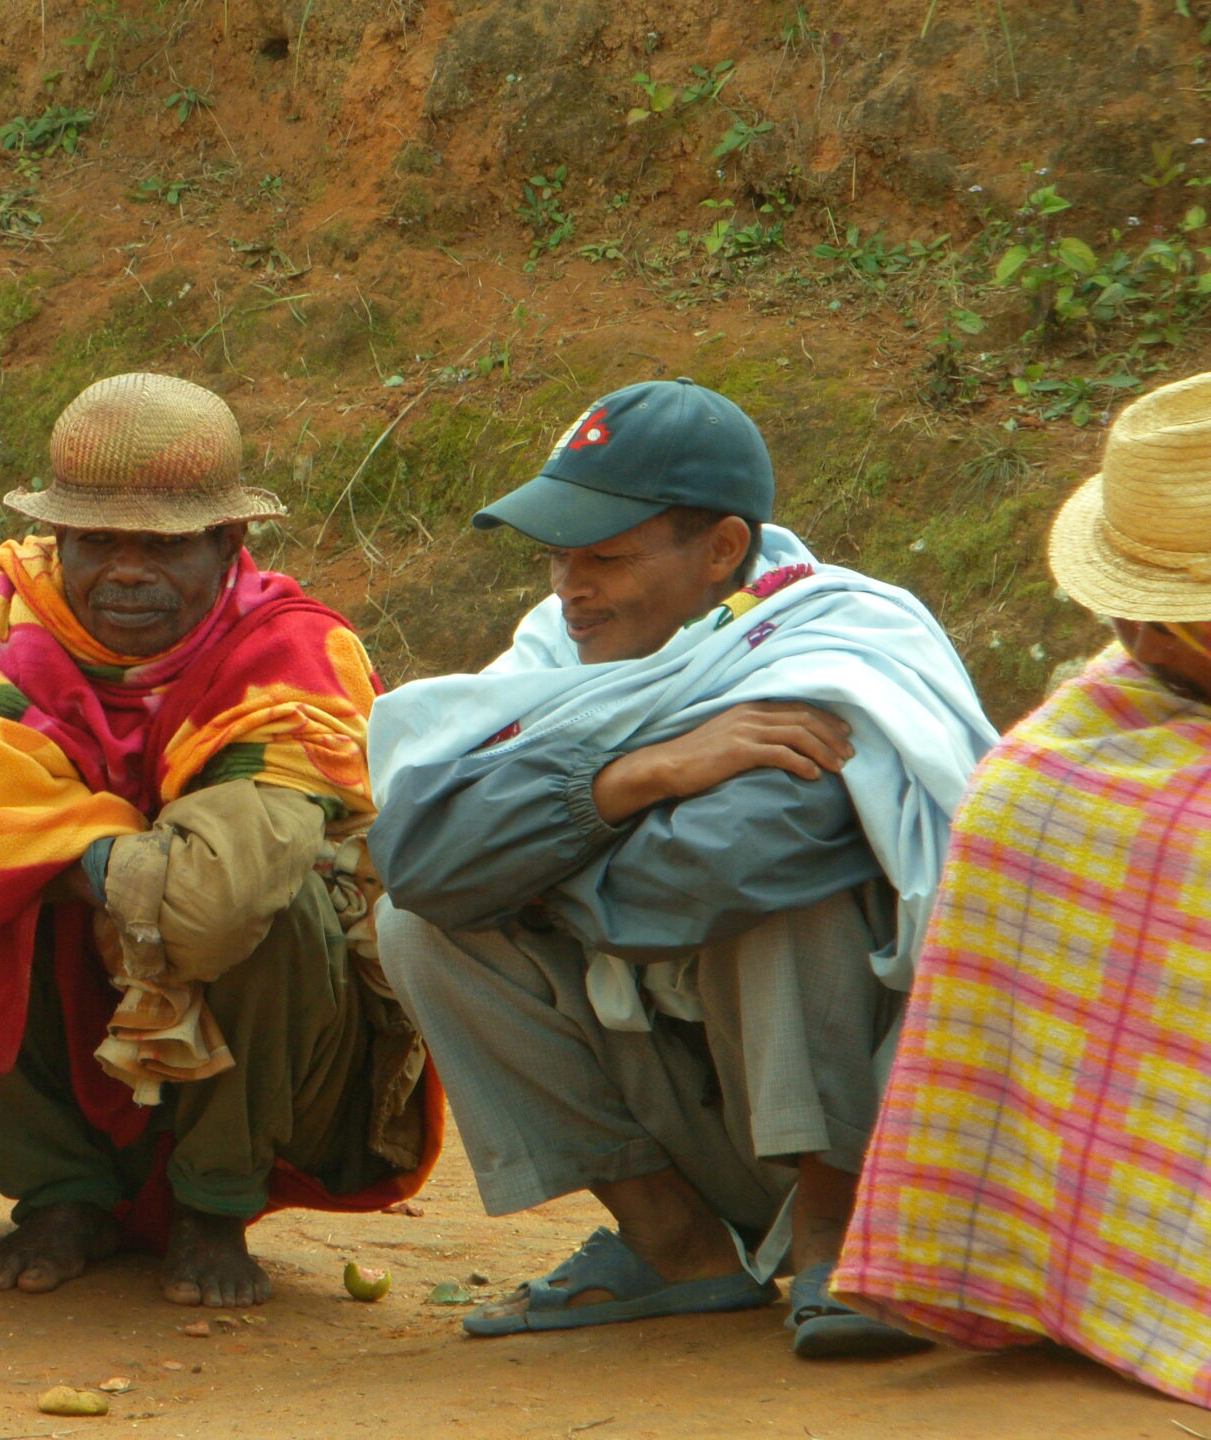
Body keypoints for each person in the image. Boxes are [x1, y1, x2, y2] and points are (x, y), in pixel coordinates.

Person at [0, 373, 441, 1308]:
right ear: (58, 541)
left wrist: (37, 849)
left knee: (279, 908)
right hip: (59, 1017)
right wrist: (98, 857)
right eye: (99, 542)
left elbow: (207, 912)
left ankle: (214, 1203)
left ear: (228, 544)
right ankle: (61, 1192)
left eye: (165, 545)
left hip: (265, 1040)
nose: (127, 572)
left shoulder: (290, 656)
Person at [368, 378, 994, 1357]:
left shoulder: (834, 649)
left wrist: (519, 855)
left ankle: (844, 1238)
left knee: (786, 897)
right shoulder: (554, 654)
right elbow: (414, 861)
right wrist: (628, 779)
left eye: (606, 557)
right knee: (416, 927)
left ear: (720, 551)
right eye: (558, 557)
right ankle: (675, 1246)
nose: (570, 586)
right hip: (694, 1102)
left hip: (875, 1127)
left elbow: (713, 871)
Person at [835, 371, 1211, 1404]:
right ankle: (1074, 1264)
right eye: (1131, 616)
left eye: (1167, 620)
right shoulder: (1082, 739)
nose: (1134, 643)